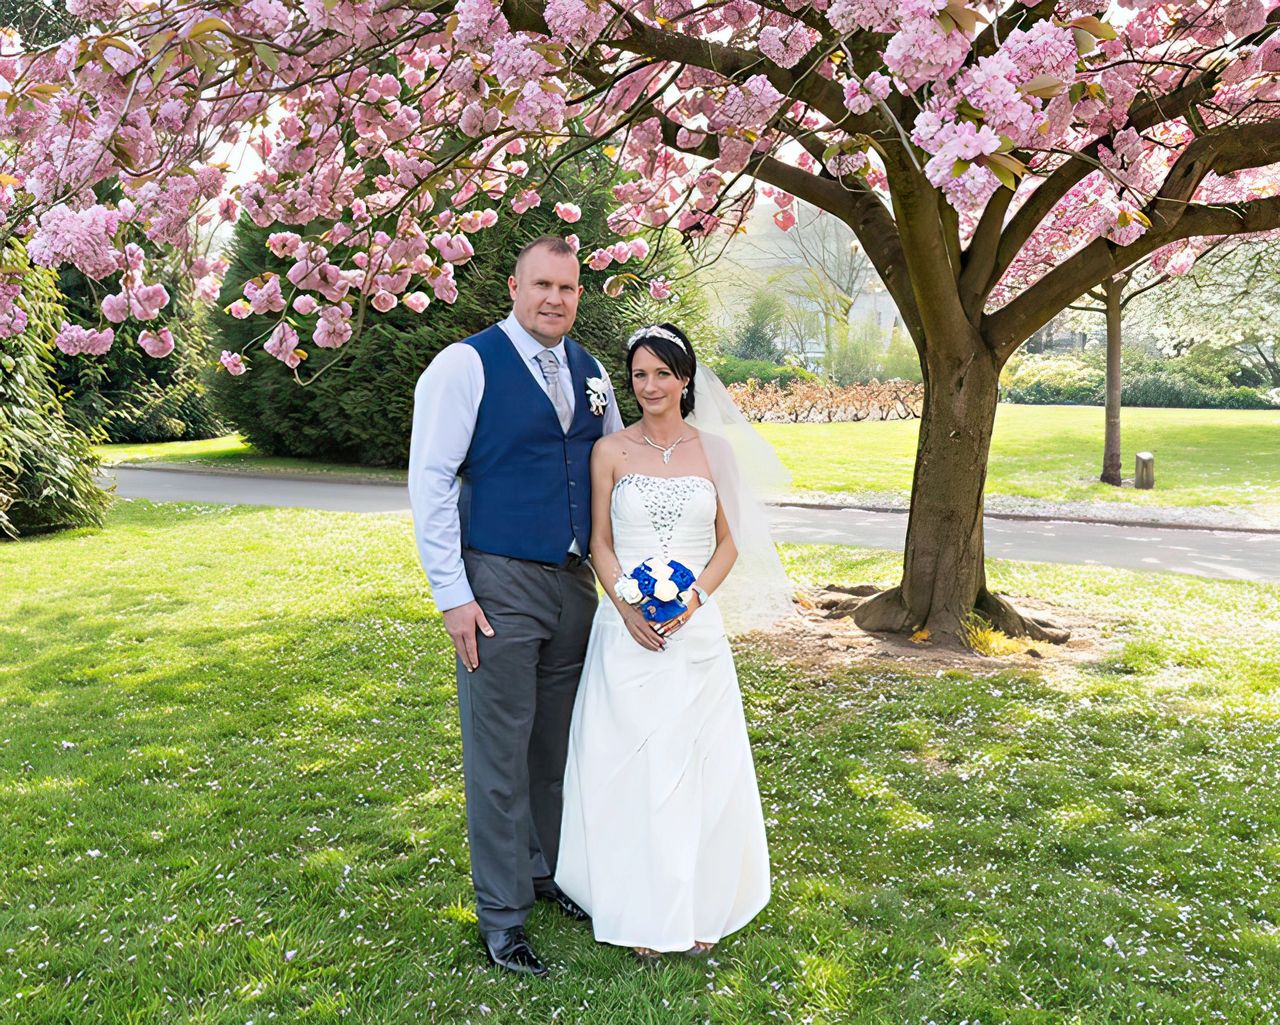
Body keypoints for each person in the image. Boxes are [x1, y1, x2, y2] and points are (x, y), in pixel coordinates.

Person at [408, 235, 624, 976]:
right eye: (542, 285)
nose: (554, 299)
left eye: (567, 288)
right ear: (513, 286)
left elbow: (612, 471)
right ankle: (503, 917)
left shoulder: (593, 372)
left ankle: (545, 871)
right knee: (498, 754)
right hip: (497, 582)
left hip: (574, 584)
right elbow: (431, 480)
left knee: (555, 749)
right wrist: (453, 596)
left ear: (579, 295)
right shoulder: (465, 365)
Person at [556, 323, 789, 959]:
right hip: (625, 629)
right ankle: (638, 907)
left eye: (662, 373)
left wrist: (692, 602)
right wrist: (625, 604)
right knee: (632, 764)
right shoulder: (610, 451)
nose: (650, 386)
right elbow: (600, 542)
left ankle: (700, 903)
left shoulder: (716, 452)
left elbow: (730, 542)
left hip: (695, 631)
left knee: (697, 765)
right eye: (639, 374)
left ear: (685, 379)